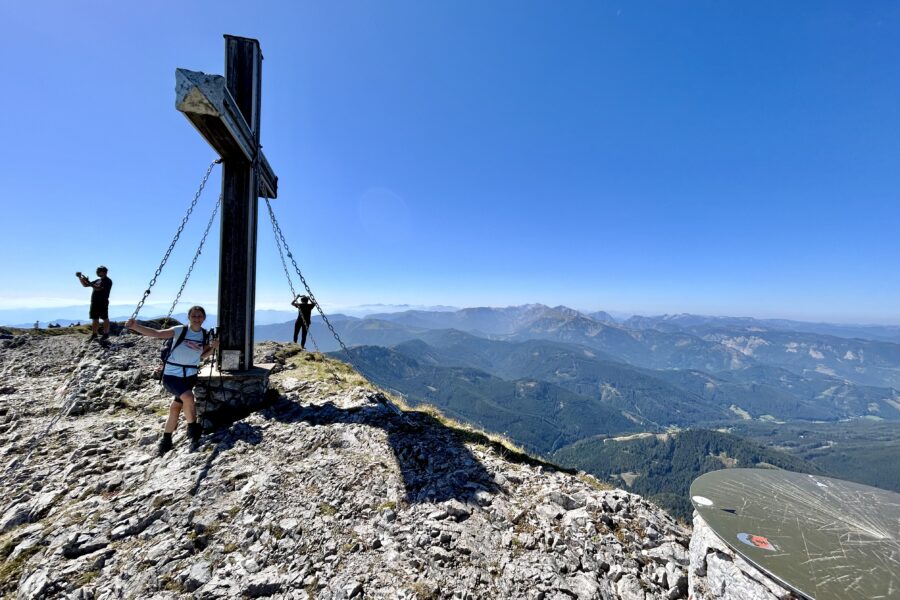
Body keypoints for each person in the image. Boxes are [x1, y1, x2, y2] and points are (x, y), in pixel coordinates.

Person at [126, 305, 219, 455]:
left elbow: (201, 356)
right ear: (188, 317)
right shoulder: (180, 330)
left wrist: (213, 348)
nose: (197, 318)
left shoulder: (205, 335)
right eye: (194, 316)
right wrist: (136, 326)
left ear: (204, 318)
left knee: (175, 408)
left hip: (190, 376)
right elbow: (157, 333)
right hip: (171, 375)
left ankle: (166, 440)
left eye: (199, 316)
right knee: (188, 397)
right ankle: (193, 429)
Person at [76, 266, 113, 341]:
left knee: (104, 317)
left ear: (104, 272)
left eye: (98, 271)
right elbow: (85, 285)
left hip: (102, 301)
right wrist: (80, 277)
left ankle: (106, 334)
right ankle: (94, 334)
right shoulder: (98, 280)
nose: (97, 272)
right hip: (94, 302)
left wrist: (89, 282)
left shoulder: (107, 281)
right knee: (94, 318)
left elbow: (98, 288)